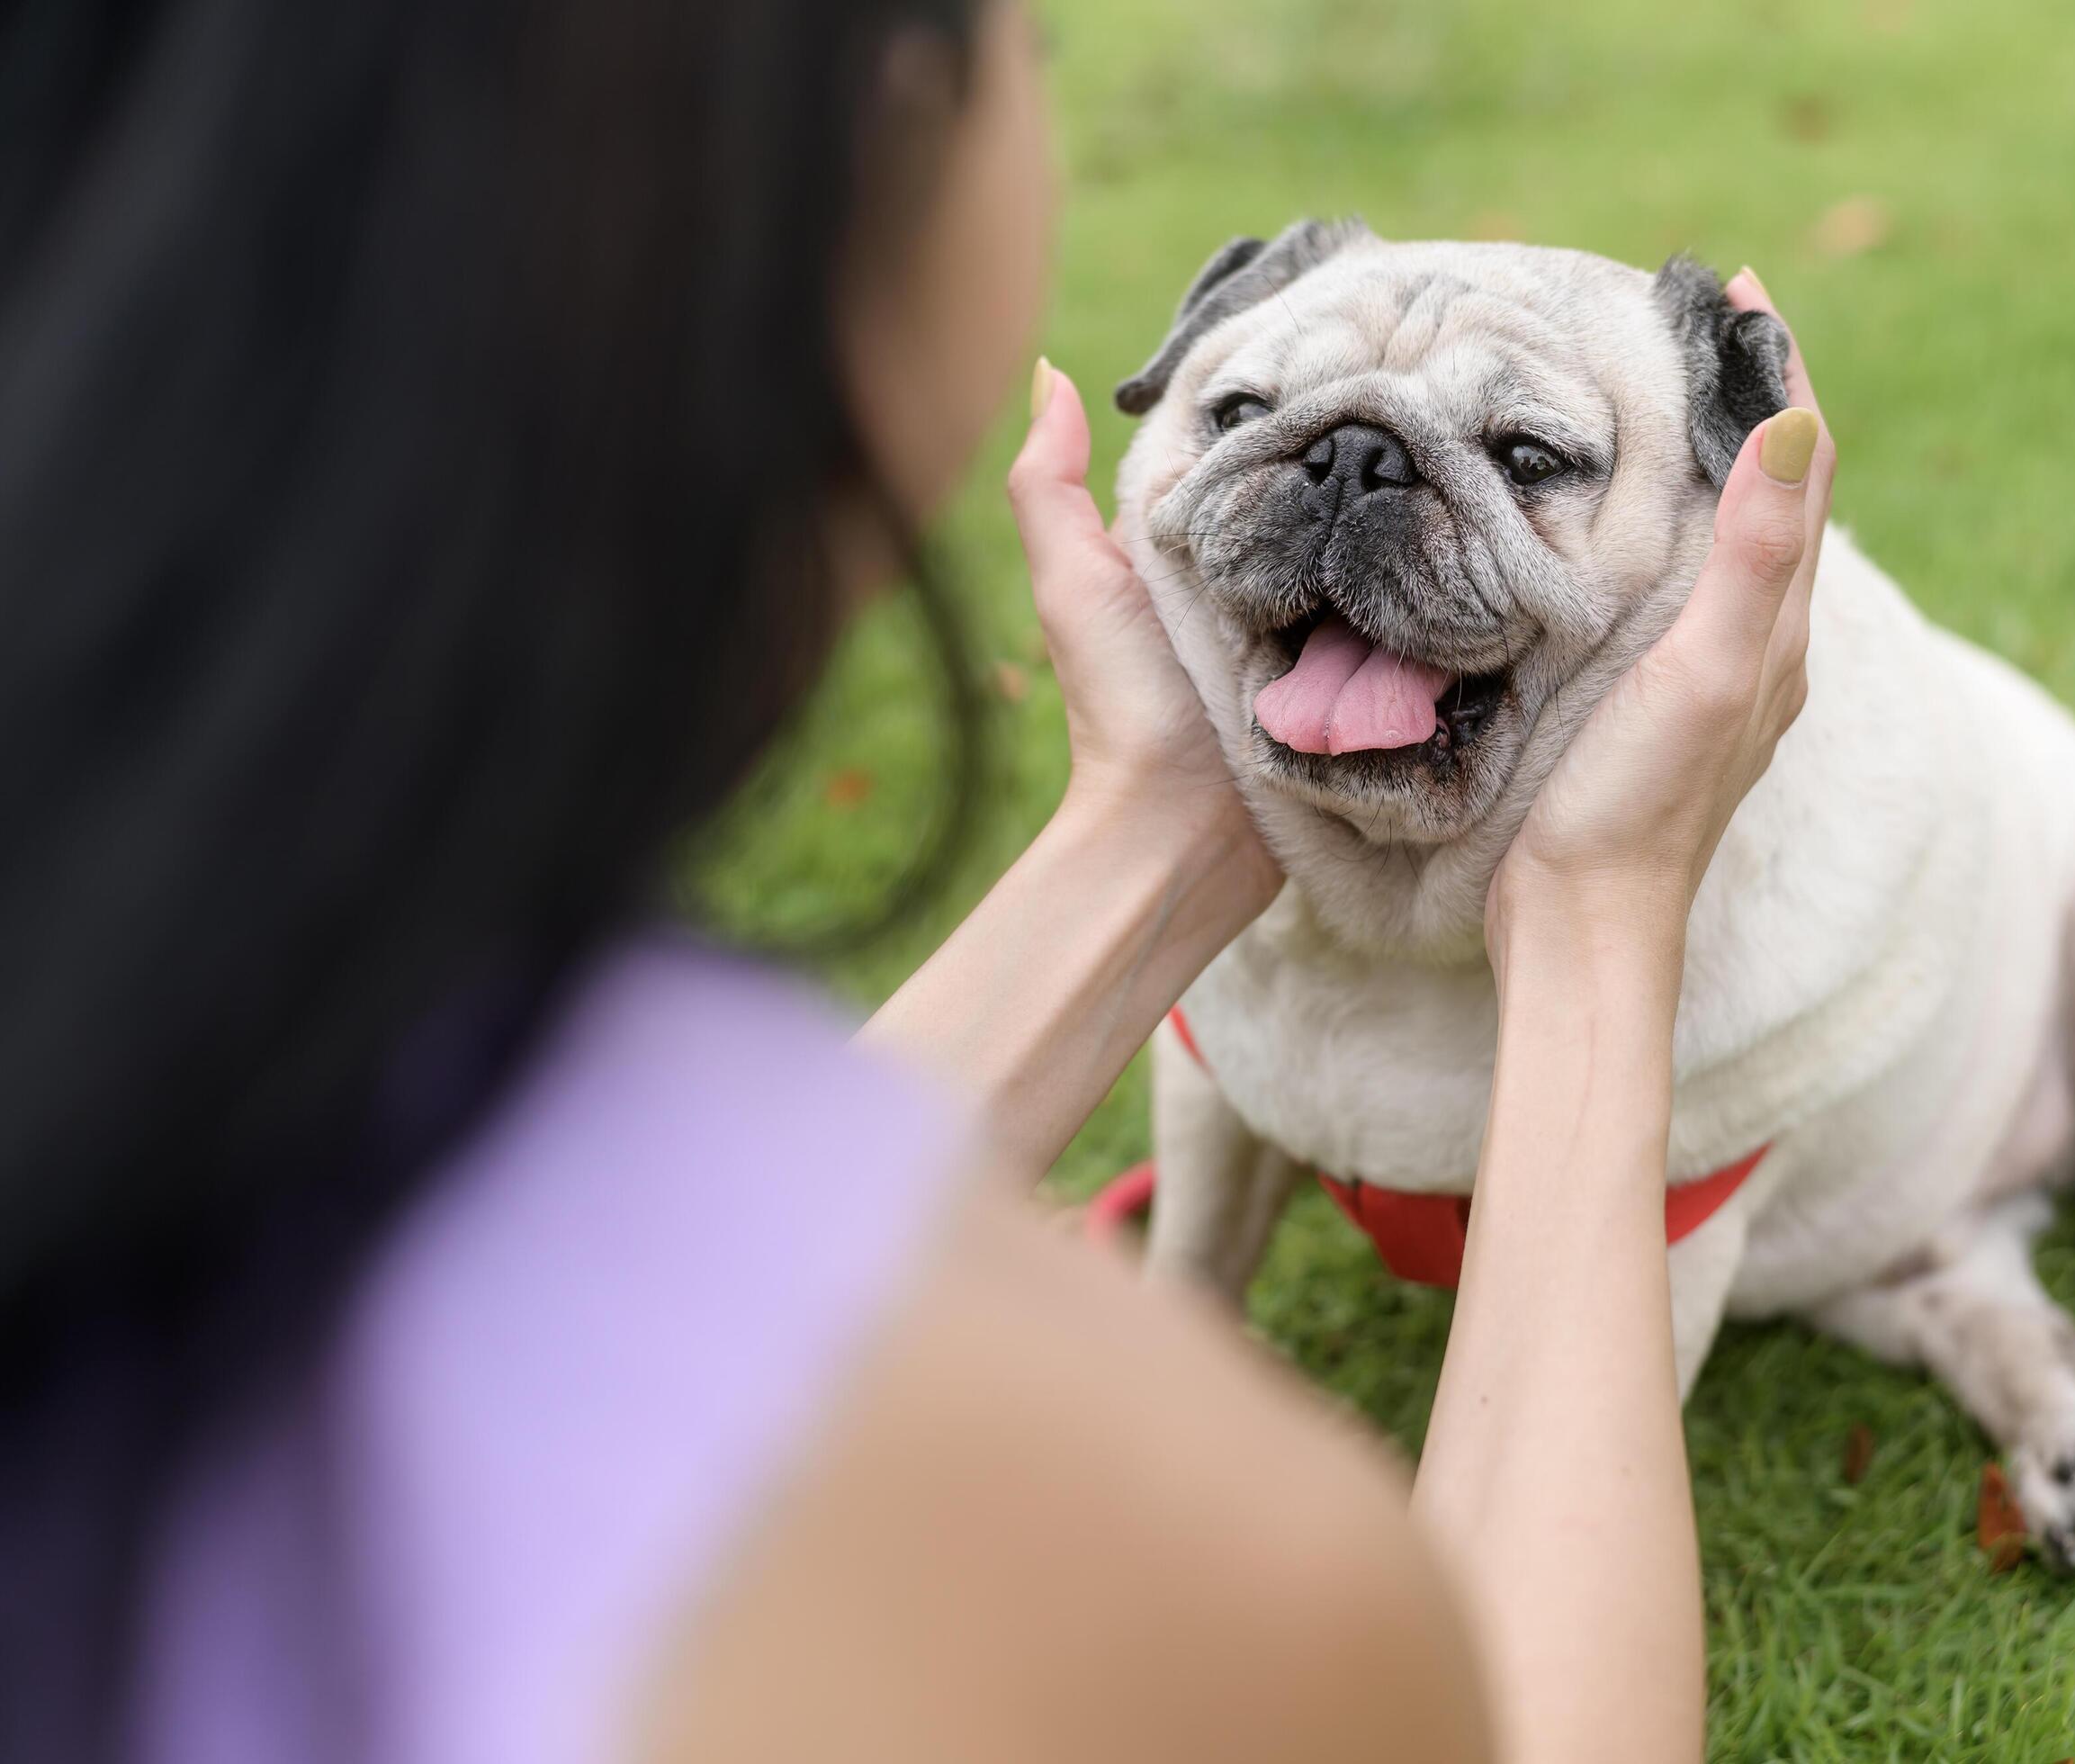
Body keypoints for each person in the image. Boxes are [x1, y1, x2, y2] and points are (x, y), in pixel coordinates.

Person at [0, 0, 1834, 1759]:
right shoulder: (1088, 1513)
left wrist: (1158, 816)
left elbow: (651, 1294)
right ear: (875, 140)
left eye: (1521, 457)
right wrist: (1599, 925)